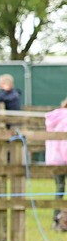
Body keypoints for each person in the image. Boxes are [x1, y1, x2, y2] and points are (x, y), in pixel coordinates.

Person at [47, 98, 67, 231]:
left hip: (55, 158)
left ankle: (56, 218)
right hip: (64, 157)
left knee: (59, 188)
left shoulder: (56, 117)